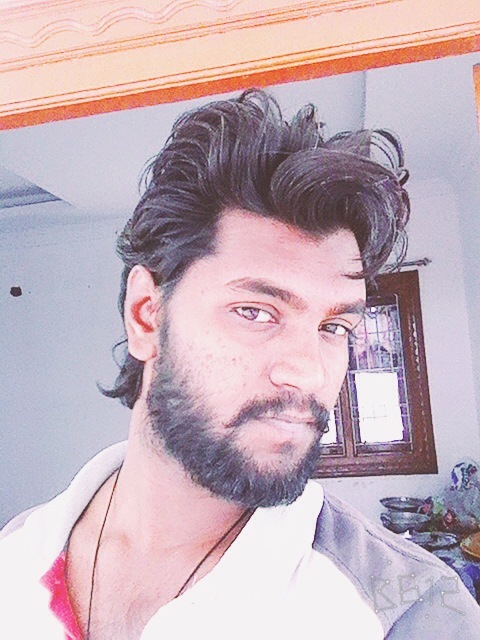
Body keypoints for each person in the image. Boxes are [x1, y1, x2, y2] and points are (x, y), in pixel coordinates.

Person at [1, 89, 479, 639]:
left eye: (333, 327)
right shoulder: (15, 558)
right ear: (146, 315)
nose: (309, 373)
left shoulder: (410, 613)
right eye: (255, 311)